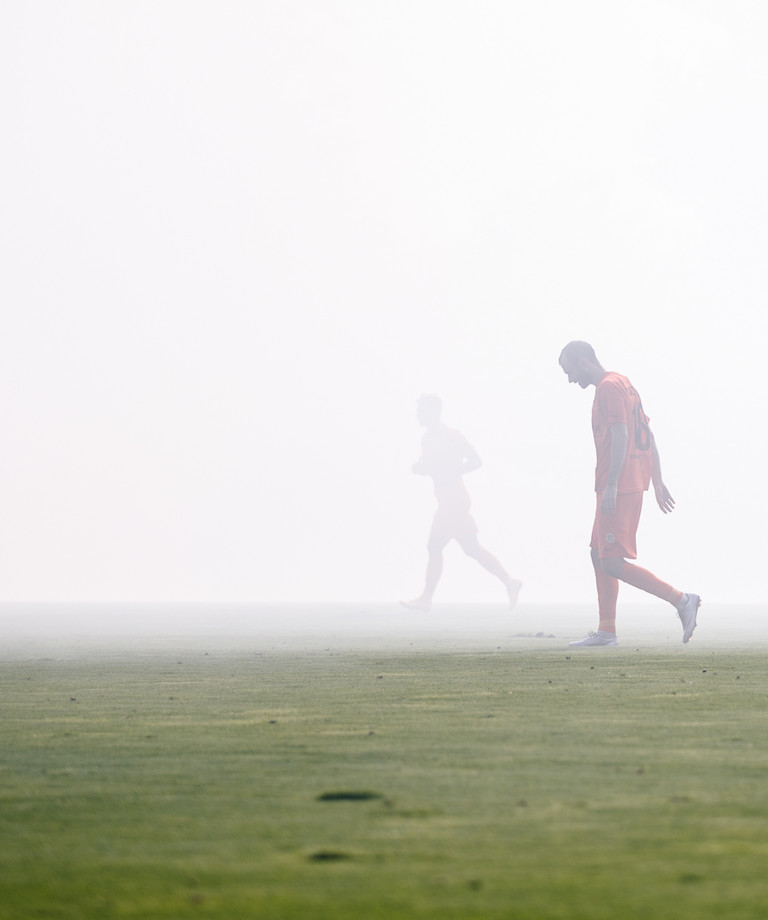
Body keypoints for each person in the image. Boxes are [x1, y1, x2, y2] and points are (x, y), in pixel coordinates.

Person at [558, 341, 700, 646]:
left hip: (618, 486)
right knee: (598, 553)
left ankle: (682, 600)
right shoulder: (625, 383)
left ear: (583, 362)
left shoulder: (608, 387)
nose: (571, 380)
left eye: (570, 372)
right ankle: (607, 632)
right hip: (626, 481)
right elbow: (646, 434)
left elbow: (623, 433)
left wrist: (611, 485)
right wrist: (657, 480)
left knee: (610, 561)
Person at [401, 394, 522, 613]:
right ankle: (509, 582)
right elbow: (433, 467)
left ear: (434, 411)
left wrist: (454, 471)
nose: (417, 415)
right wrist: (421, 469)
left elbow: (476, 460)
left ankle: (426, 599)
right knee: (469, 549)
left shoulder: (451, 436)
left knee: (436, 546)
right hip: (446, 500)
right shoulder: (426, 439)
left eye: (421, 410)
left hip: (454, 501)